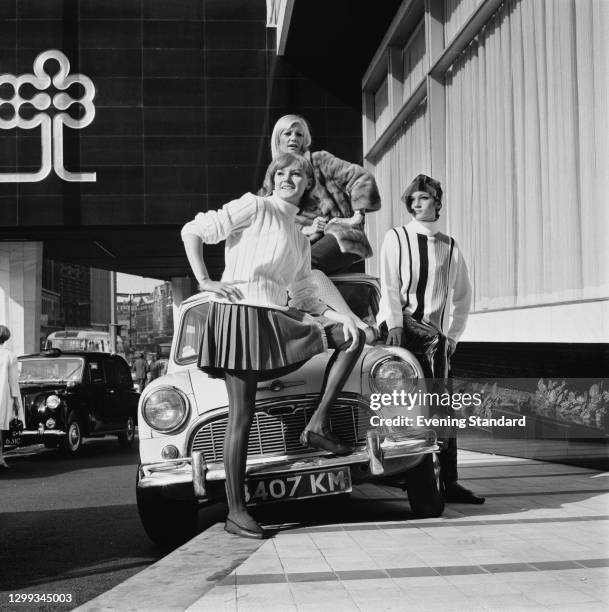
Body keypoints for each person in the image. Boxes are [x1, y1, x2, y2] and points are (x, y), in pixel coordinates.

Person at [181, 152, 365, 539]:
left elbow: (306, 298)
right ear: (272, 178)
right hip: (239, 316)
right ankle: (236, 511)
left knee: (353, 337)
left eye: (295, 174)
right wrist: (204, 281)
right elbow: (193, 230)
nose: (286, 178)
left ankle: (317, 424)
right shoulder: (255, 205)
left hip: (274, 320)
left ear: (307, 184)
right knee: (241, 416)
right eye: (279, 172)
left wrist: (342, 317)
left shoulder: (299, 238)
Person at [378, 174, 485, 504]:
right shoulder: (396, 238)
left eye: (423, 197)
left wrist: (453, 336)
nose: (416, 203)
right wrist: (395, 324)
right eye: (412, 198)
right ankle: (407, 475)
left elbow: (463, 297)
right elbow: (390, 286)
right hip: (403, 331)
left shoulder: (450, 246)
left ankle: (447, 482)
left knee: (441, 409)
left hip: (436, 343)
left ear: (438, 201)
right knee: (406, 408)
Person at [264, 114, 381, 341]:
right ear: (277, 138)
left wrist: (356, 216)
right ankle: (333, 328)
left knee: (304, 267)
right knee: (296, 277)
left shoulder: (318, 161)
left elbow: (361, 177)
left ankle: (357, 325)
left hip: (341, 236)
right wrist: (306, 231)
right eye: (287, 133)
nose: (293, 138)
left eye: (299, 134)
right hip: (304, 246)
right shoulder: (273, 179)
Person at [0, 325, 25, 468]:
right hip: (3, 395)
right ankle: (0, 458)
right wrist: (16, 400)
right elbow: (13, 381)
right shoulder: (10, 355)